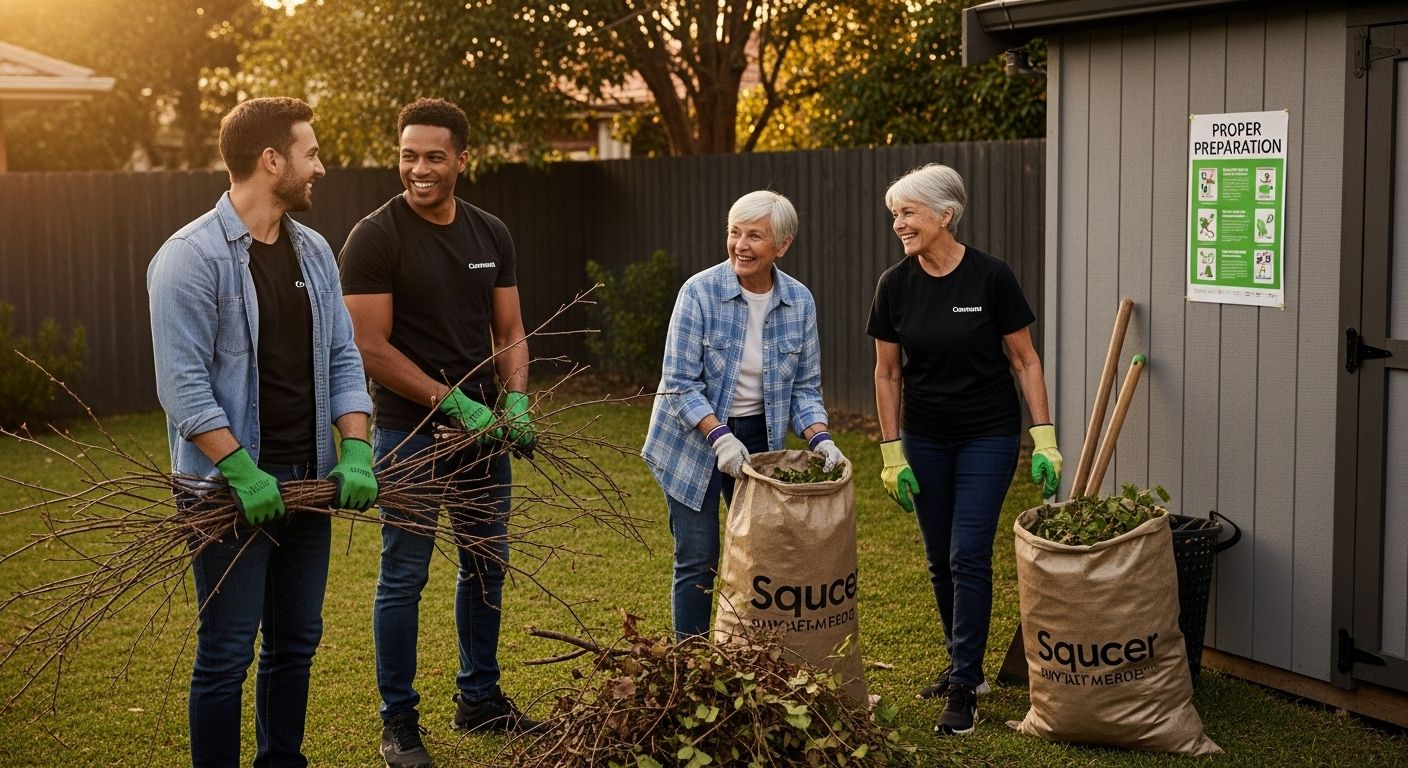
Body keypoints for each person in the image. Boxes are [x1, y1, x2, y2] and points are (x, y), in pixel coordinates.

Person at [147, 96, 378, 768]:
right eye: (311, 153)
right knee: (225, 654)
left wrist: (356, 446)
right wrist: (242, 472)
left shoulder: (314, 252)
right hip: (224, 494)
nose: (322, 168)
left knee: (296, 641)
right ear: (270, 160)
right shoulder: (189, 260)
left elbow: (341, 356)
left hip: (306, 484)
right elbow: (182, 389)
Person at [339, 98, 541, 768]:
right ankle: (398, 724)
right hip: (408, 434)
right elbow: (370, 347)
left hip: (484, 437)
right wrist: (456, 404)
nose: (417, 169)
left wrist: (513, 401)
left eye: (432, 156)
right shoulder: (377, 236)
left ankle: (479, 698)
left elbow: (509, 330)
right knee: (404, 575)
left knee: (487, 567)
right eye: (407, 155)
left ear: (461, 158)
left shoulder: (491, 233)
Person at [866, 163, 1061, 737]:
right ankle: (965, 668)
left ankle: (963, 684)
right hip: (925, 436)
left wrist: (1043, 439)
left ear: (944, 215)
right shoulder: (893, 285)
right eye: (894, 214)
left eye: (908, 212)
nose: (899, 224)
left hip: (987, 434)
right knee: (938, 559)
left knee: (968, 553)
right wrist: (892, 452)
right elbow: (886, 374)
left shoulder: (990, 278)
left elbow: (1024, 359)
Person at [641, 190, 847, 640]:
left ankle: (748, 656)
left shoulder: (800, 302)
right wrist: (720, 437)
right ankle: (691, 667)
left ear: (783, 245)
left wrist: (820, 439)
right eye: (735, 232)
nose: (741, 245)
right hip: (692, 434)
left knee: (758, 553)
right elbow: (679, 383)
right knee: (699, 556)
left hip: (760, 437)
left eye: (755, 235)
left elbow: (804, 389)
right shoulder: (698, 292)